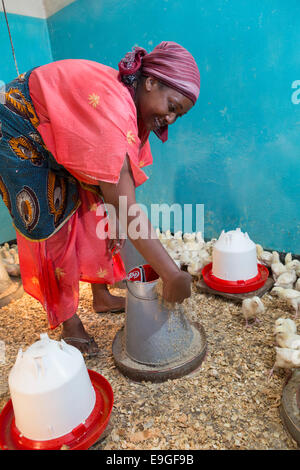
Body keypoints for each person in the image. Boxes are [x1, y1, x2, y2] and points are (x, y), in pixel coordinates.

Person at [0, 41, 200, 355]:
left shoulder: (128, 108)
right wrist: (170, 273)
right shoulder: (113, 113)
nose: (171, 119)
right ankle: (70, 324)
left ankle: (101, 294)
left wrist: (118, 219)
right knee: (51, 224)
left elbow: (117, 195)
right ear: (150, 82)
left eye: (179, 115)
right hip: (19, 128)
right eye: (172, 106)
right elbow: (126, 206)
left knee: (95, 210)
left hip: (53, 129)